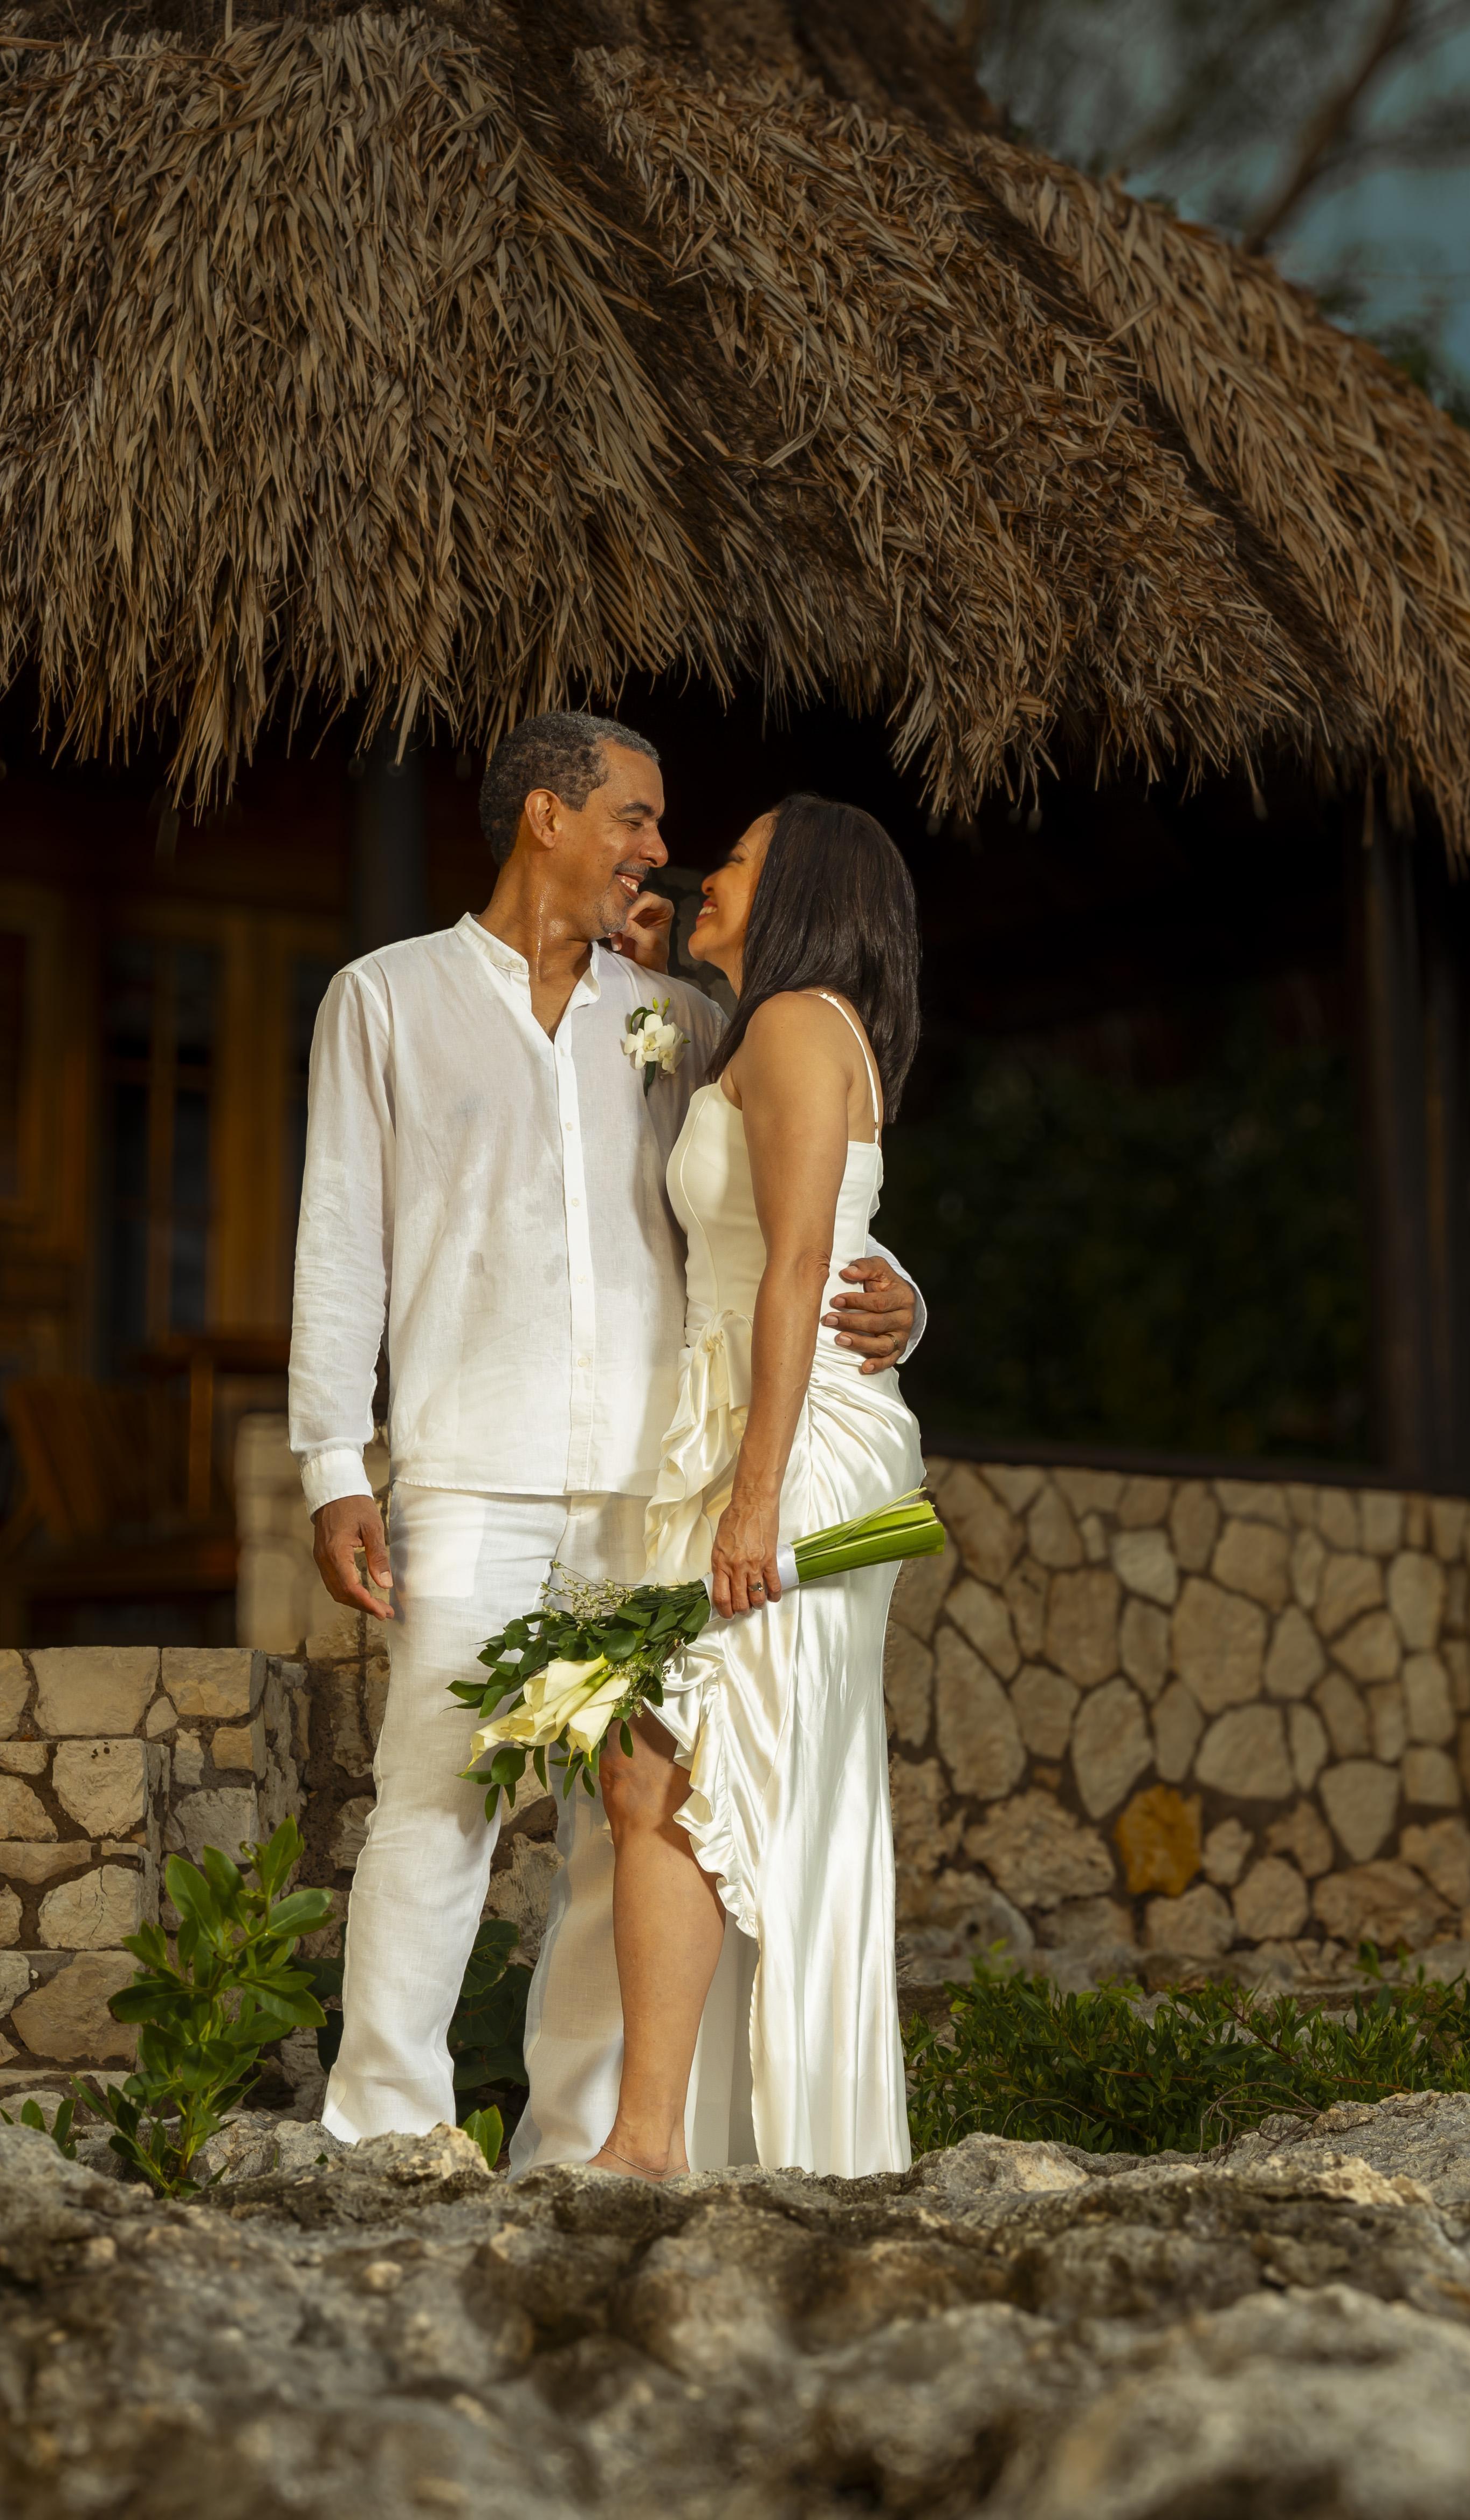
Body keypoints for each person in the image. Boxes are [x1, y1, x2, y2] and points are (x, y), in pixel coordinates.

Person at [289, 714, 922, 2166]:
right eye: (635, 817)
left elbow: (791, 1214)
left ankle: (580, 2150)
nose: (659, 848)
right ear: (547, 816)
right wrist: (332, 1460)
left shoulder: (687, 1022)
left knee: (619, 1820)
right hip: (468, 1468)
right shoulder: (384, 999)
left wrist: (906, 1299)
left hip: (654, 1483)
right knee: (437, 1798)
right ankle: (385, 2133)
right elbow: (339, 1241)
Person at [585, 795, 926, 2179]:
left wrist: (756, 1497)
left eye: (734, 859)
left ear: (800, 892)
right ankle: (664, 2134)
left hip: (792, 1449)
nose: (702, 872)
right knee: (667, 1766)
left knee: (673, 1755)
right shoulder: (764, 1028)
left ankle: (654, 2139)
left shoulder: (792, 1025)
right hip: (759, 1426)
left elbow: (799, 1264)